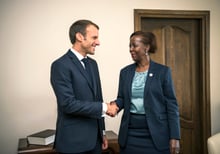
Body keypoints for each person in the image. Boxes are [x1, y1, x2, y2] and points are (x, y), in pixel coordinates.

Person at [50, 19, 118, 154]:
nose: (98, 42)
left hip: (96, 142)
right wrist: (105, 107)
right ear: (79, 37)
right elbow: (68, 104)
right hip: (73, 144)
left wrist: (102, 132)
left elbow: (98, 98)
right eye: (94, 37)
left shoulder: (93, 64)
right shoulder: (60, 65)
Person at [111, 31, 180, 154]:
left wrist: (175, 136)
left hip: (157, 134)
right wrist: (114, 106)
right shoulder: (125, 72)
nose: (131, 49)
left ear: (146, 47)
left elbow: (172, 105)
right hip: (130, 134)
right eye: (129, 46)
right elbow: (122, 98)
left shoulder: (162, 72)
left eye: (134, 45)